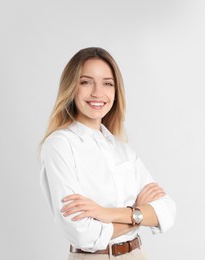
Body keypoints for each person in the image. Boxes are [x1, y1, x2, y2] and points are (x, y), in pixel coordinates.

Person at [39, 47, 176, 260]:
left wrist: (107, 214)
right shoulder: (59, 145)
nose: (97, 92)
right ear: (71, 87)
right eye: (85, 82)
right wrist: (139, 212)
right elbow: (82, 233)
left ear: (116, 91)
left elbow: (167, 210)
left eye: (107, 83)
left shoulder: (122, 149)